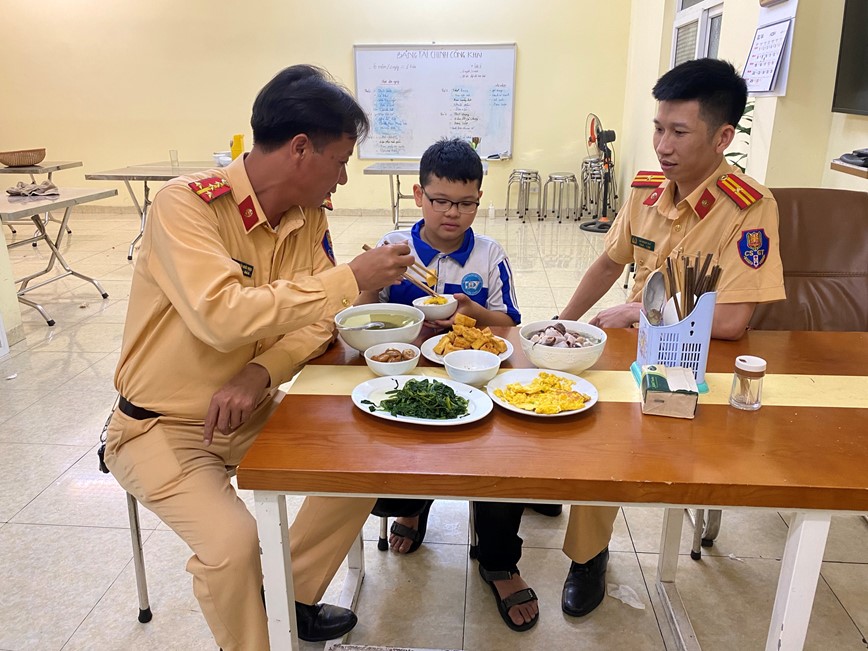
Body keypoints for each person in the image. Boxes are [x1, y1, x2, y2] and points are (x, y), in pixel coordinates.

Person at [103, 64, 414, 650]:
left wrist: (261, 372)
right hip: (159, 425)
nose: (343, 180)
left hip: (248, 406)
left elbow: (319, 321)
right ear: (301, 149)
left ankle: (288, 598)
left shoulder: (307, 219)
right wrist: (351, 277)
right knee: (233, 546)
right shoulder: (185, 206)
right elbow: (221, 316)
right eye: (340, 160)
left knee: (363, 462)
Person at [557, 58, 785, 619]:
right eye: (659, 128)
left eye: (679, 132)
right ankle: (588, 550)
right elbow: (610, 264)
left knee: (612, 436)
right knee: (583, 418)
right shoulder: (645, 191)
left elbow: (731, 320)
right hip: (632, 349)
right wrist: (564, 323)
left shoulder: (748, 208)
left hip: (700, 362)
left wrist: (639, 311)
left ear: (723, 135)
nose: (662, 144)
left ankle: (584, 551)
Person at [357, 138, 538, 631]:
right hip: (408, 373)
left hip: (478, 372)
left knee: (503, 454)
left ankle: (499, 559)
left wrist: (469, 310)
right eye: (440, 200)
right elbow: (364, 310)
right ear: (419, 194)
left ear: (479, 199)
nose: (452, 213)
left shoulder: (487, 253)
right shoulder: (394, 245)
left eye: (465, 203)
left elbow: (509, 323)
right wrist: (372, 281)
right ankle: (414, 509)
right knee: (404, 455)